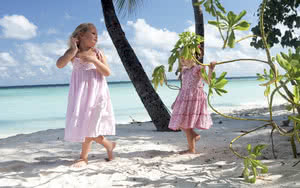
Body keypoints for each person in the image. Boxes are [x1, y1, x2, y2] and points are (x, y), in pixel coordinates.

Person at [56, 23, 116, 167]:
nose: (97, 36)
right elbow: (59, 64)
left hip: (97, 93)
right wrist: (73, 49)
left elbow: (107, 73)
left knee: (90, 124)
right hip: (80, 95)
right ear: (81, 35)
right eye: (93, 33)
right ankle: (108, 144)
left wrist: (94, 61)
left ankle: (84, 157)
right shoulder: (73, 53)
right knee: (86, 124)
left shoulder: (98, 53)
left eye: (97, 34)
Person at [168, 52, 216, 154]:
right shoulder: (184, 70)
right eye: (180, 57)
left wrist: (211, 69)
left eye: (184, 56)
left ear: (193, 57)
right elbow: (184, 86)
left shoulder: (198, 68)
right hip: (183, 98)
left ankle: (191, 149)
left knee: (186, 125)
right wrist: (177, 100)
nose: (181, 59)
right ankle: (194, 136)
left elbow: (208, 82)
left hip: (194, 98)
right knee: (180, 121)